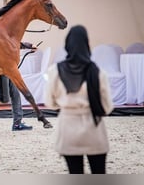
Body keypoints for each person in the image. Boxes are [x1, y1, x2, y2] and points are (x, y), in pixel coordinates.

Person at [44, 25, 114, 174]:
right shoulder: (97, 71)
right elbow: (107, 107)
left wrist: (66, 105)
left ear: (67, 44)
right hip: (94, 128)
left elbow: (49, 102)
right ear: (87, 44)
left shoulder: (54, 71)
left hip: (68, 129)